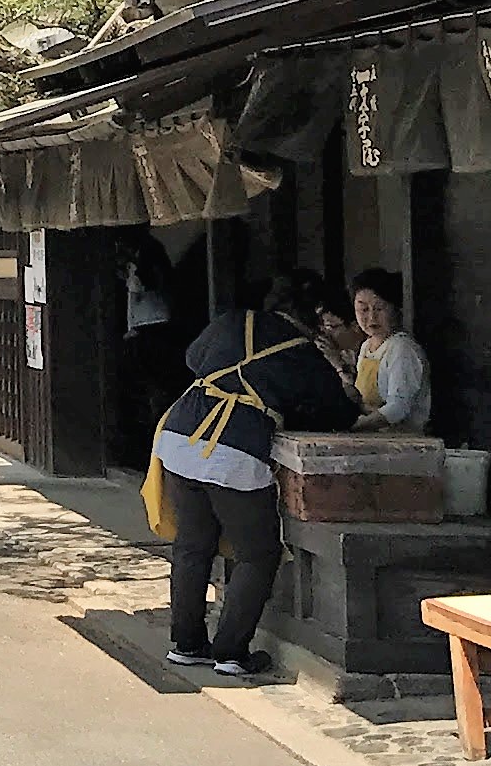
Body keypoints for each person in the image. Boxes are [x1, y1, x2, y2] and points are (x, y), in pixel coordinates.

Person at [151, 284, 356, 681]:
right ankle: (231, 651)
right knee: (257, 553)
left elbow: (193, 359)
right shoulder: (302, 351)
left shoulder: (231, 322)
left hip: (178, 435)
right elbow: (339, 412)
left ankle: (187, 645)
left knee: (193, 545)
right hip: (234, 447)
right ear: (313, 316)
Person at [327, 268, 432, 430]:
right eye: (363, 309)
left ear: (396, 309)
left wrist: (353, 428)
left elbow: (397, 408)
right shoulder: (366, 347)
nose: (371, 317)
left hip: (402, 442)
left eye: (379, 308)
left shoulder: (402, 349)